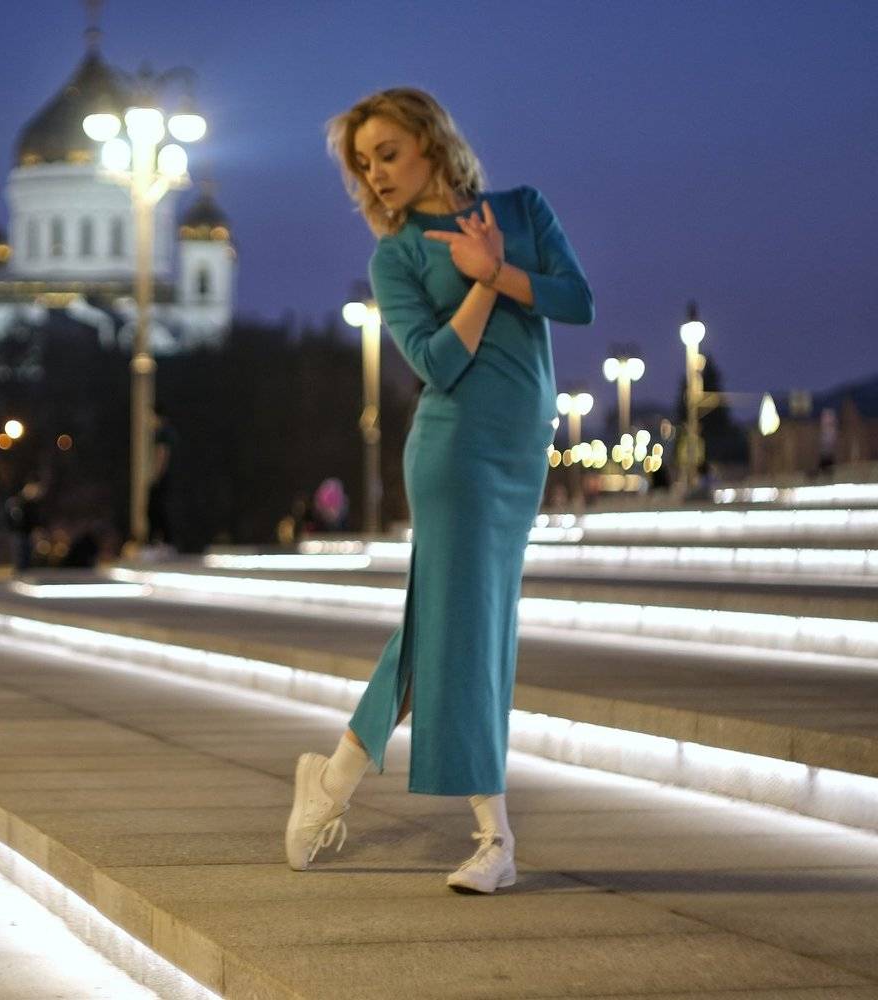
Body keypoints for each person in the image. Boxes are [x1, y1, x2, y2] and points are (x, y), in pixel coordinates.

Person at [285, 88, 594, 894]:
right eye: (363, 164)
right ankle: (495, 839)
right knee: (472, 631)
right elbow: (437, 364)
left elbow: (578, 300)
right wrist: (485, 285)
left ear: (431, 141)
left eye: (387, 153)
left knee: (448, 627)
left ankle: (333, 779)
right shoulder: (395, 257)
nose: (376, 175)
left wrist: (501, 267)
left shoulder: (521, 211)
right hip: (454, 452)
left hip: (519, 451)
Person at [147, 405, 177, 547]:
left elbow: (162, 454)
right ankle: (165, 541)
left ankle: (160, 541)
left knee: (155, 509)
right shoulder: (170, 432)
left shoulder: (162, 433)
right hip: (168, 478)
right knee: (161, 508)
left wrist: (156, 475)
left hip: (162, 478)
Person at [5, 479, 44, 572]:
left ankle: (26, 570)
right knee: (20, 554)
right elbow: (14, 519)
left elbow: (35, 519)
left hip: (27, 533)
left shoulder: (32, 504)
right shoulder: (17, 502)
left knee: (27, 554)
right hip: (18, 533)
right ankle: (20, 571)